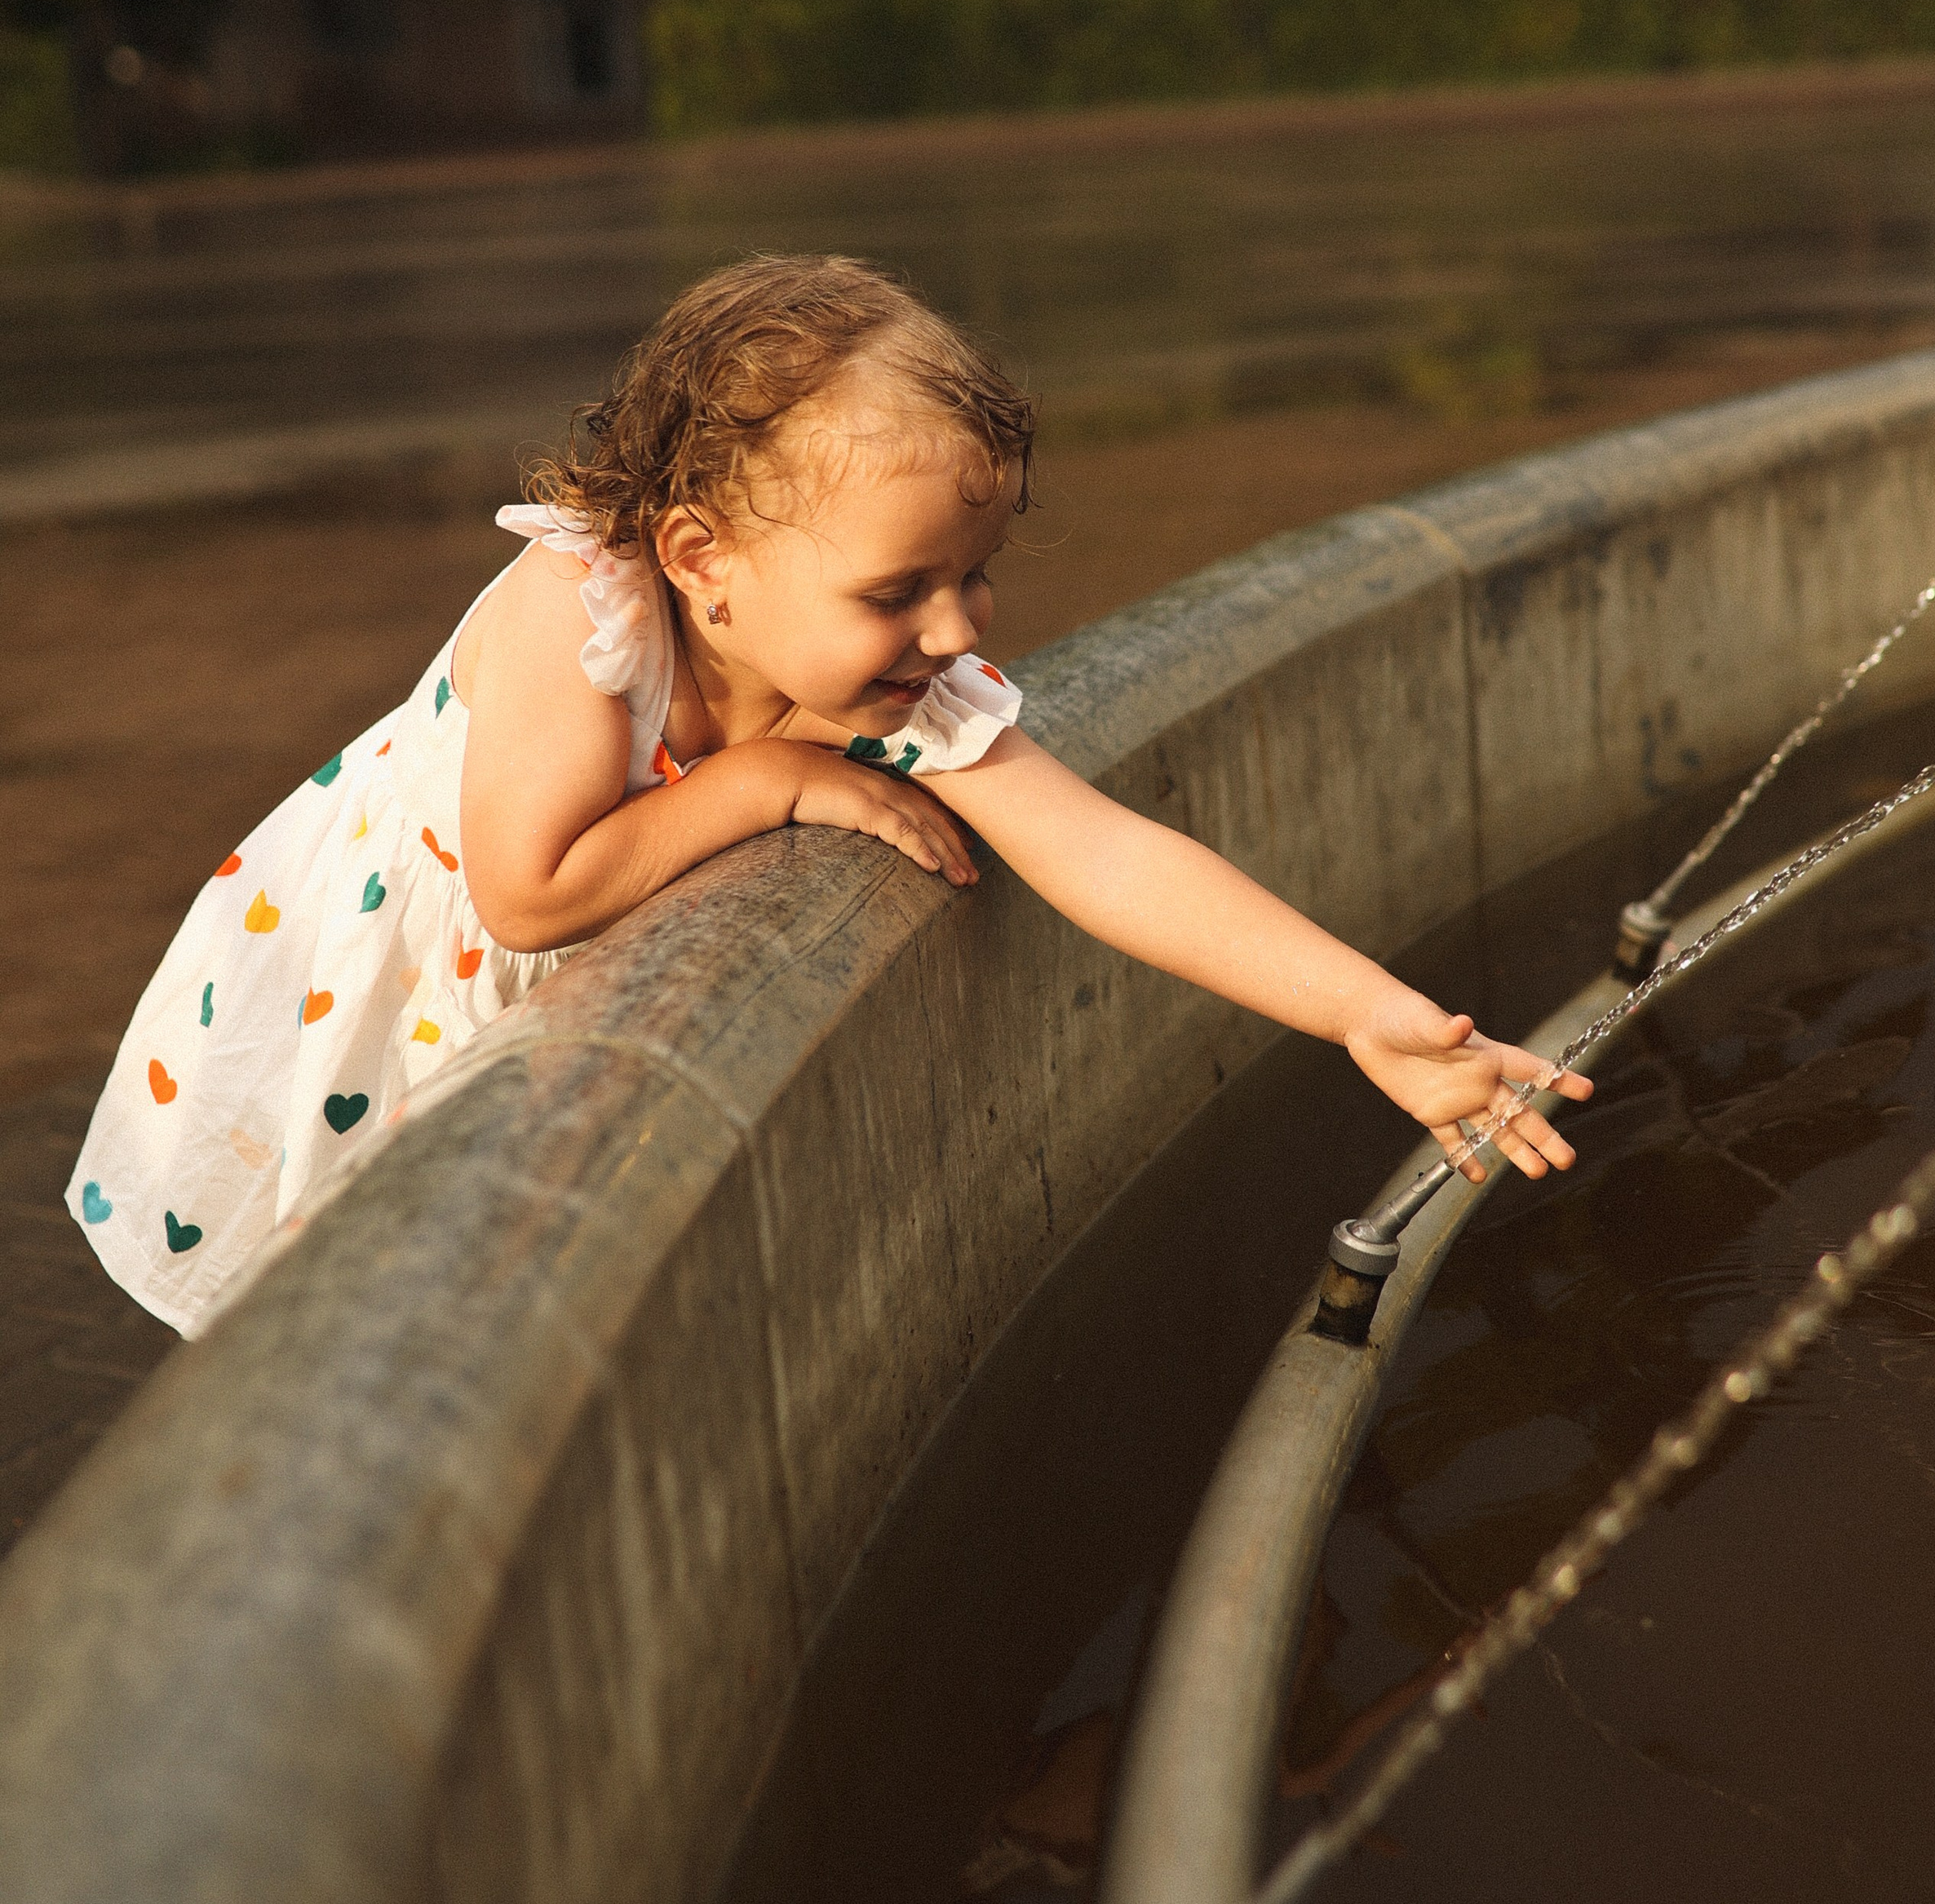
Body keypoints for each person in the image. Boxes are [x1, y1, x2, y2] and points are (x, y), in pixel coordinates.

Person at [69, 254, 1588, 1336]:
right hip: (352, 995)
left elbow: (1108, 855)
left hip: (482, 1032)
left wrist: (1361, 1013)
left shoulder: (887, 676)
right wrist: (777, 777)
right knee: (285, 1325)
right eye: (899, 589)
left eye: (975, 572)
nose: (958, 630)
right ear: (699, 561)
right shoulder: (578, 606)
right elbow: (529, 886)